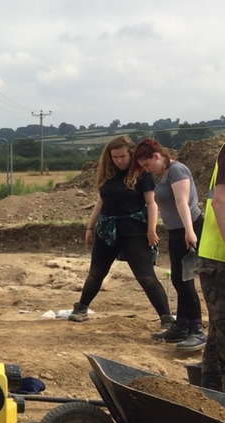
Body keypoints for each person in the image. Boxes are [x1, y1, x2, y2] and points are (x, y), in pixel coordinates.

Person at [69, 135, 172, 328]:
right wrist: (90, 227)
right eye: (114, 157)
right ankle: (81, 307)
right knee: (96, 273)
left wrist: (152, 230)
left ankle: (166, 317)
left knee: (146, 276)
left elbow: (151, 203)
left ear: (130, 154)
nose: (118, 160)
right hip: (107, 230)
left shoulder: (143, 174)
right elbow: (101, 202)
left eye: (122, 156)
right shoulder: (107, 174)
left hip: (134, 231)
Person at [131, 138, 206, 350]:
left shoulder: (177, 171)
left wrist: (190, 231)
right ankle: (181, 325)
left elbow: (183, 202)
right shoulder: (165, 173)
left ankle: (197, 329)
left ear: (157, 156)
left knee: (185, 280)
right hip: (177, 230)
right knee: (177, 278)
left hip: (187, 228)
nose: (147, 170)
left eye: (147, 165)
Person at [197, 140, 225, 391]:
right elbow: (221, 202)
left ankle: (211, 404)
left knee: (217, 337)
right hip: (220, 260)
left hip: (215, 260)